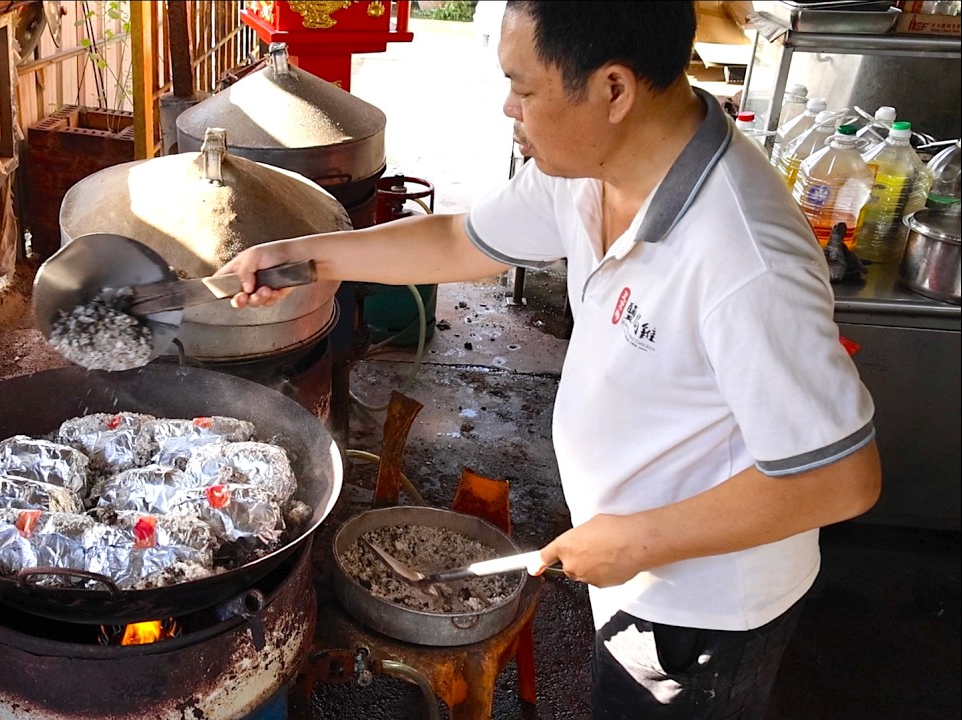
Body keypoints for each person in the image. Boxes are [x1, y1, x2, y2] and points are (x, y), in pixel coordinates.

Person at [218, 2, 881, 717]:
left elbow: (840, 478)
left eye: (525, 88)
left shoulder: (745, 260)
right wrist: (309, 257)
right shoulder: (592, 167)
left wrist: (637, 540)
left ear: (614, 89)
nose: (509, 106)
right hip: (631, 567)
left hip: (700, 608)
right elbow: (460, 243)